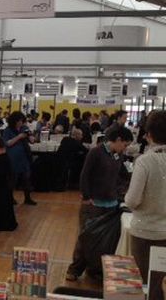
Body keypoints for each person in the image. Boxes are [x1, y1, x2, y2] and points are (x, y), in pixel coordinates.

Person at [66, 126, 134, 282]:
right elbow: (85, 175)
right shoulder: (96, 152)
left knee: (104, 241)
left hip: (111, 204)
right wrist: (87, 196)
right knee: (86, 237)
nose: (126, 148)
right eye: (125, 144)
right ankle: (74, 269)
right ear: (117, 140)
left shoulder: (118, 155)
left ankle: (95, 270)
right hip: (94, 204)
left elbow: (123, 174)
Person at [125, 111, 166, 283]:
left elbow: (133, 200)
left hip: (144, 231)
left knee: (143, 283)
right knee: (159, 282)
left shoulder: (144, 161)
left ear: (148, 135)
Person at [3, 111, 36, 205]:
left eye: (22, 121)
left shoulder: (24, 128)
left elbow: (32, 140)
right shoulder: (8, 130)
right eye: (19, 121)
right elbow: (7, 143)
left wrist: (31, 137)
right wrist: (19, 136)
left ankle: (27, 198)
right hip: (13, 158)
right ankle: (10, 198)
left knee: (26, 178)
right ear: (14, 121)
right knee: (13, 179)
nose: (21, 123)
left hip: (24, 157)